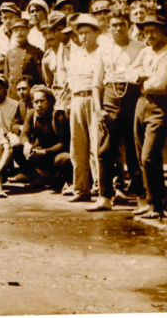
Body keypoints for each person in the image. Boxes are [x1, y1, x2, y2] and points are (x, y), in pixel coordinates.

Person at [89, 11, 145, 212]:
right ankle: (105, 196)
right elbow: (96, 83)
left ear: (129, 26)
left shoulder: (140, 48)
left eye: (122, 24)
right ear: (109, 28)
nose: (118, 29)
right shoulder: (104, 50)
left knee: (134, 150)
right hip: (110, 97)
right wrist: (98, 109)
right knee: (105, 149)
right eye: (114, 25)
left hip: (132, 97)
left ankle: (142, 198)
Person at [126, 14, 167, 219]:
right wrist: (142, 75)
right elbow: (128, 72)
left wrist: (142, 77)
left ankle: (158, 205)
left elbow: (160, 83)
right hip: (141, 103)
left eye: (154, 31)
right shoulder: (145, 52)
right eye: (146, 32)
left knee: (149, 156)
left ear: (163, 32)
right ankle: (151, 202)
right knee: (140, 156)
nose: (149, 36)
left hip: (158, 104)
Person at [66, 14, 104, 204]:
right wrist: (69, 101)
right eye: (80, 33)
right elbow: (71, 80)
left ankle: (101, 188)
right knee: (77, 146)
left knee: (97, 146)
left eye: (87, 32)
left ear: (96, 33)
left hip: (94, 99)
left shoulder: (101, 52)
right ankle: (81, 188)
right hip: (77, 100)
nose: (83, 37)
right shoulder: (76, 53)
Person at [16, 85, 71, 189]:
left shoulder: (58, 116)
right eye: (36, 102)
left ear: (50, 101)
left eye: (42, 101)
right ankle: (36, 175)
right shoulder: (32, 114)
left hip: (54, 155)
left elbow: (63, 143)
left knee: (64, 158)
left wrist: (44, 152)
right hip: (38, 154)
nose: (39, 105)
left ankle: (63, 178)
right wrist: (27, 145)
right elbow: (24, 134)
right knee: (17, 148)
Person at [3, 18, 43, 99]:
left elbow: (40, 78)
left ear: (28, 31)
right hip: (12, 95)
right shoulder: (9, 53)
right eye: (16, 30)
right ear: (12, 32)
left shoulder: (35, 52)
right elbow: (6, 77)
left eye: (22, 29)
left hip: (29, 95)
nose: (19, 33)